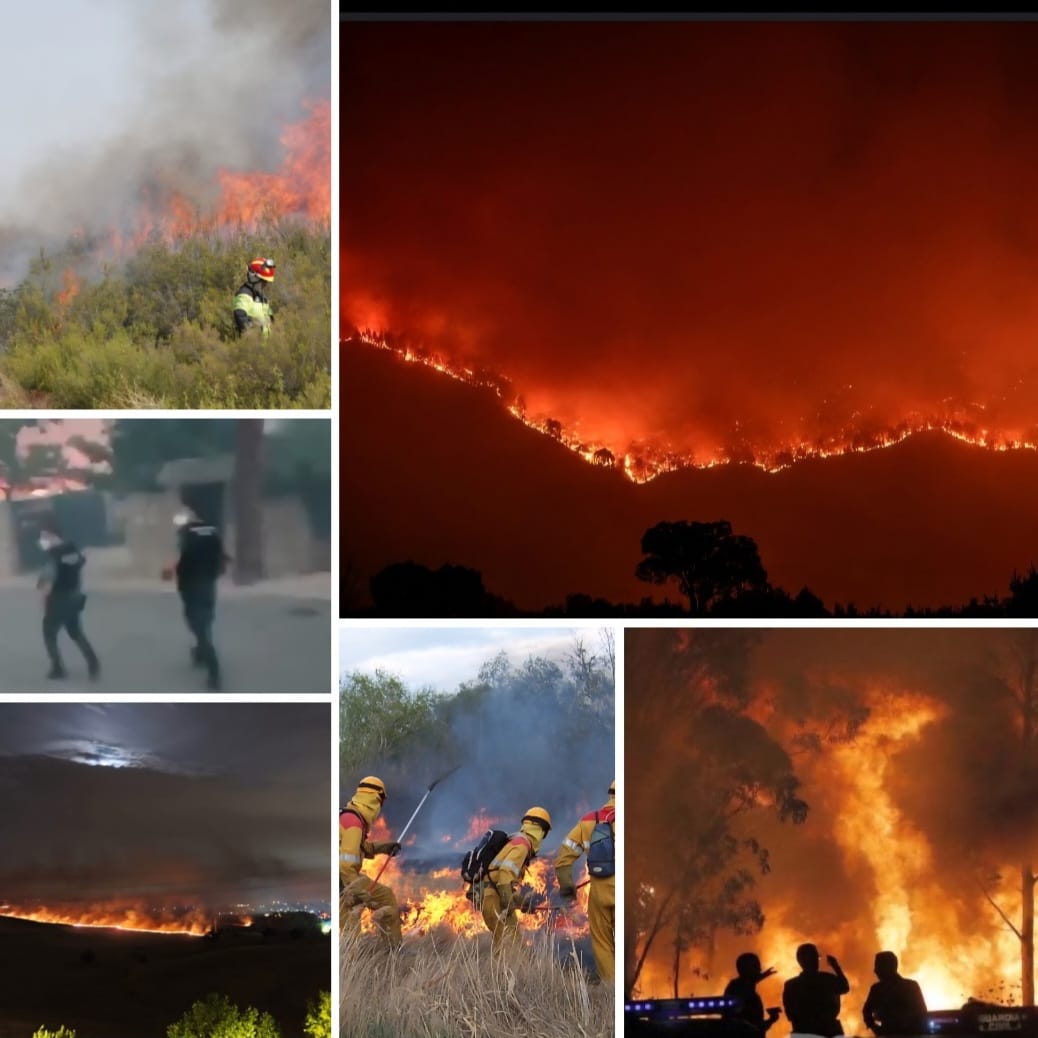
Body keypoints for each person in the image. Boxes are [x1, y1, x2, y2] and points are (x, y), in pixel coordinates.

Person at [555, 778, 616, 982]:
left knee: (602, 943)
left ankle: (610, 988)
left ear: (610, 794)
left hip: (599, 893)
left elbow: (564, 856)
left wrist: (567, 887)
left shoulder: (589, 820)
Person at [162, 507, 227, 691]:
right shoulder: (212, 531)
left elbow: (185, 559)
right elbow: (221, 557)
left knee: (196, 624)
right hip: (208, 583)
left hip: (192, 586)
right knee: (205, 620)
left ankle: (214, 671)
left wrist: (172, 573)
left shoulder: (188, 534)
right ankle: (200, 653)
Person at [340, 776, 403, 948]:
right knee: (350, 934)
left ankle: (394, 949)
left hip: (348, 880)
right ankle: (349, 965)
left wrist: (385, 847)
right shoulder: (353, 822)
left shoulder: (350, 816)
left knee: (386, 897)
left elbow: (360, 847)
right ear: (376, 800)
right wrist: (359, 892)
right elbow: (346, 865)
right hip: (343, 885)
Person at [481, 806, 552, 951]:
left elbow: (501, 882)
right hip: (494, 900)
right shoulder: (522, 845)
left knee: (515, 945)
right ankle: (501, 974)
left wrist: (521, 902)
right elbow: (505, 873)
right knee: (508, 947)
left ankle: (509, 972)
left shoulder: (516, 840)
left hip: (495, 897)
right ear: (542, 831)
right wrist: (508, 902)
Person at [37, 527, 100, 681]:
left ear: (54, 536)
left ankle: (57, 668)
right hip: (75, 597)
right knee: (75, 632)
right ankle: (93, 663)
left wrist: (44, 599)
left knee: (49, 633)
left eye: (44, 537)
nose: (42, 541)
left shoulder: (55, 556)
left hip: (59, 599)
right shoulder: (73, 550)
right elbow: (82, 560)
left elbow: (47, 581)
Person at [782, 943, 850, 1037]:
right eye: (814, 957)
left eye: (816, 958)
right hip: (828, 1031)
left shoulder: (791, 985)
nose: (816, 961)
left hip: (804, 1032)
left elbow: (789, 1013)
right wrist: (836, 967)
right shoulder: (827, 979)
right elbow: (844, 987)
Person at [863, 952, 928, 1036]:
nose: (875, 970)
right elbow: (866, 1011)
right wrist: (876, 1029)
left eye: (878, 966)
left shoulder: (878, 989)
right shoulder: (911, 986)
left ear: (888, 967)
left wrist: (876, 1029)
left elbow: (921, 1013)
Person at [723, 953, 782, 1035]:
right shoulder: (746, 995)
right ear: (747, 969)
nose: (760, 969)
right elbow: (756, 1029)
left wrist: (761, 976)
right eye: (756, 966)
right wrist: (772, 1019)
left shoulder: (735, 988)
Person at [232, 257, 275, 335]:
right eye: (264, 282)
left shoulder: (263, 298)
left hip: (267, 345)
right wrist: (254, 335)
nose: (265, 285)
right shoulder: (244, 294)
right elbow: (240, 316)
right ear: (254, 279)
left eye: (267, 282)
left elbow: (271, 320)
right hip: (251, 345)